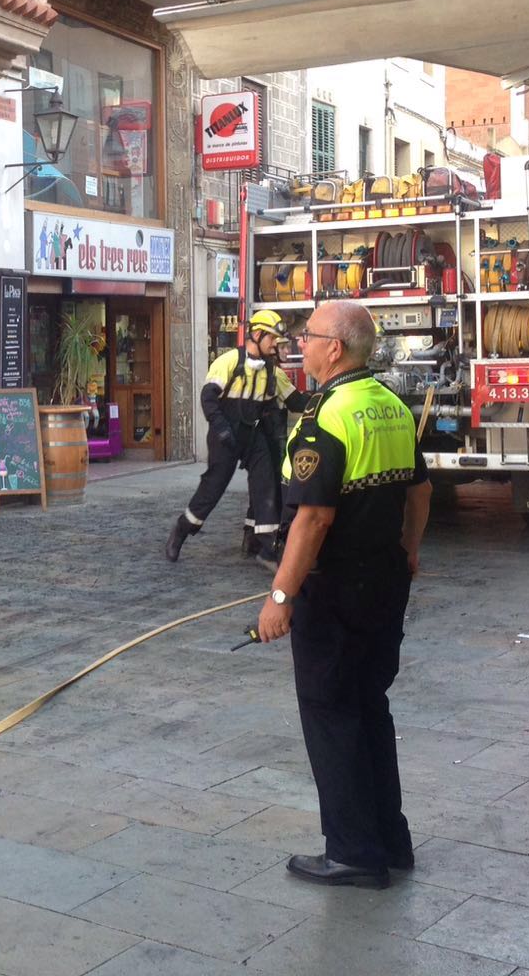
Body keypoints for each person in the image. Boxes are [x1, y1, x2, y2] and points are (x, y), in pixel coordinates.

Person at [255, 302, 430, 890]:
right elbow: (420, 491)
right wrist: (409, 551)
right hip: (384, 581)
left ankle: (354, 852)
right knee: (369, 705)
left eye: (308, 335)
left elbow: (313, 519)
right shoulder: (391, 406)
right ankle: (389, 841)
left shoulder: (325, 416)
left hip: (333, 590)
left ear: (335, 348)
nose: (299, 344)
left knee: (330, 710)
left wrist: (281, 597)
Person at [166, 309, 300, 563]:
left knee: (266, 483)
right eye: (272, 338)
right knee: (213, 487)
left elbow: (296, 401)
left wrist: (327, 395)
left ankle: (267, 546)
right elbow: (208, 398)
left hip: (253, 436)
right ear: (257, 335)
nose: (275, 345)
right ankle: (182, 529)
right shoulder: (228, 361)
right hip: (225, 435)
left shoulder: (272, 371)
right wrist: (221, 429)